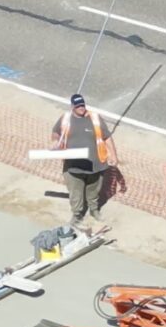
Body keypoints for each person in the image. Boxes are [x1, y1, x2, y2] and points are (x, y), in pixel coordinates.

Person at [52, 93, 125, 229]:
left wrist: (114, 155)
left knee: (93, 191)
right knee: (76, 194)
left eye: (83, 105)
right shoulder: (65, 118)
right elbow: (56, 132)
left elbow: (107, 137)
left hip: (95, 165)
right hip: (73, 166)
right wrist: (56, 141)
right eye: (78, 106)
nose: (81, 108)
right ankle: (77, 215)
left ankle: (94, 210)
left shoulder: (95, 118)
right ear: (72, 107)